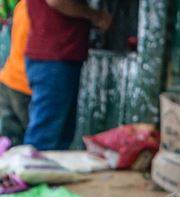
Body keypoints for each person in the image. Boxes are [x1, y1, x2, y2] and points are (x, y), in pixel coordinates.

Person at [23, 0, 110, 150]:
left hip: (58, 56)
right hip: (54, 57)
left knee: (59, 135)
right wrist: (95, 16)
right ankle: (29, 173)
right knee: (45, 137)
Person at [0, 0, 31, 144]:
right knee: (32, 144)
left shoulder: (22, 5)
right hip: (24, 84)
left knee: (9, 143)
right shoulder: (39, 9)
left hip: (8, 79)